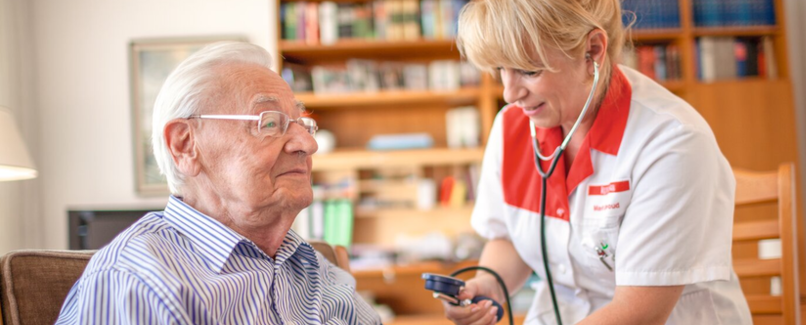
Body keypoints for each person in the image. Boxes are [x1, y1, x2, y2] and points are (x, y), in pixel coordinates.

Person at [443, 1, 752, 324]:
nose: (509, 93)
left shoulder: (671, 142)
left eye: (528, 70)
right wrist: (489, 285)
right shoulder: (512, 128)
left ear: (592, 50)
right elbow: (507, 237)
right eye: (499, 70)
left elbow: (638, 313)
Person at [56, 42, 382, 325]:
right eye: (269, 122)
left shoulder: (312, 267)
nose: (308, 145)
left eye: (301, 123)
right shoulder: (137, 283)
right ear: (185, 144)